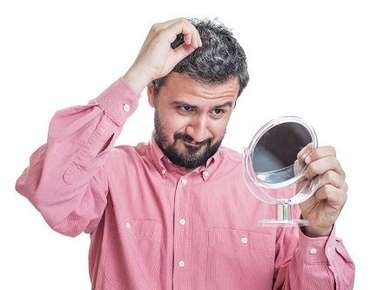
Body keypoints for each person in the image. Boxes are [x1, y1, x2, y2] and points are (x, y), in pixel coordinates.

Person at [15, 17, 355, 289]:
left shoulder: (272, 193)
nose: (199, 131)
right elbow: (49, 191)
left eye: (219, 111)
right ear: (152, 93)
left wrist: (316, 233)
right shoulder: (109, 173)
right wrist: (136, 75)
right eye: (185, 107)